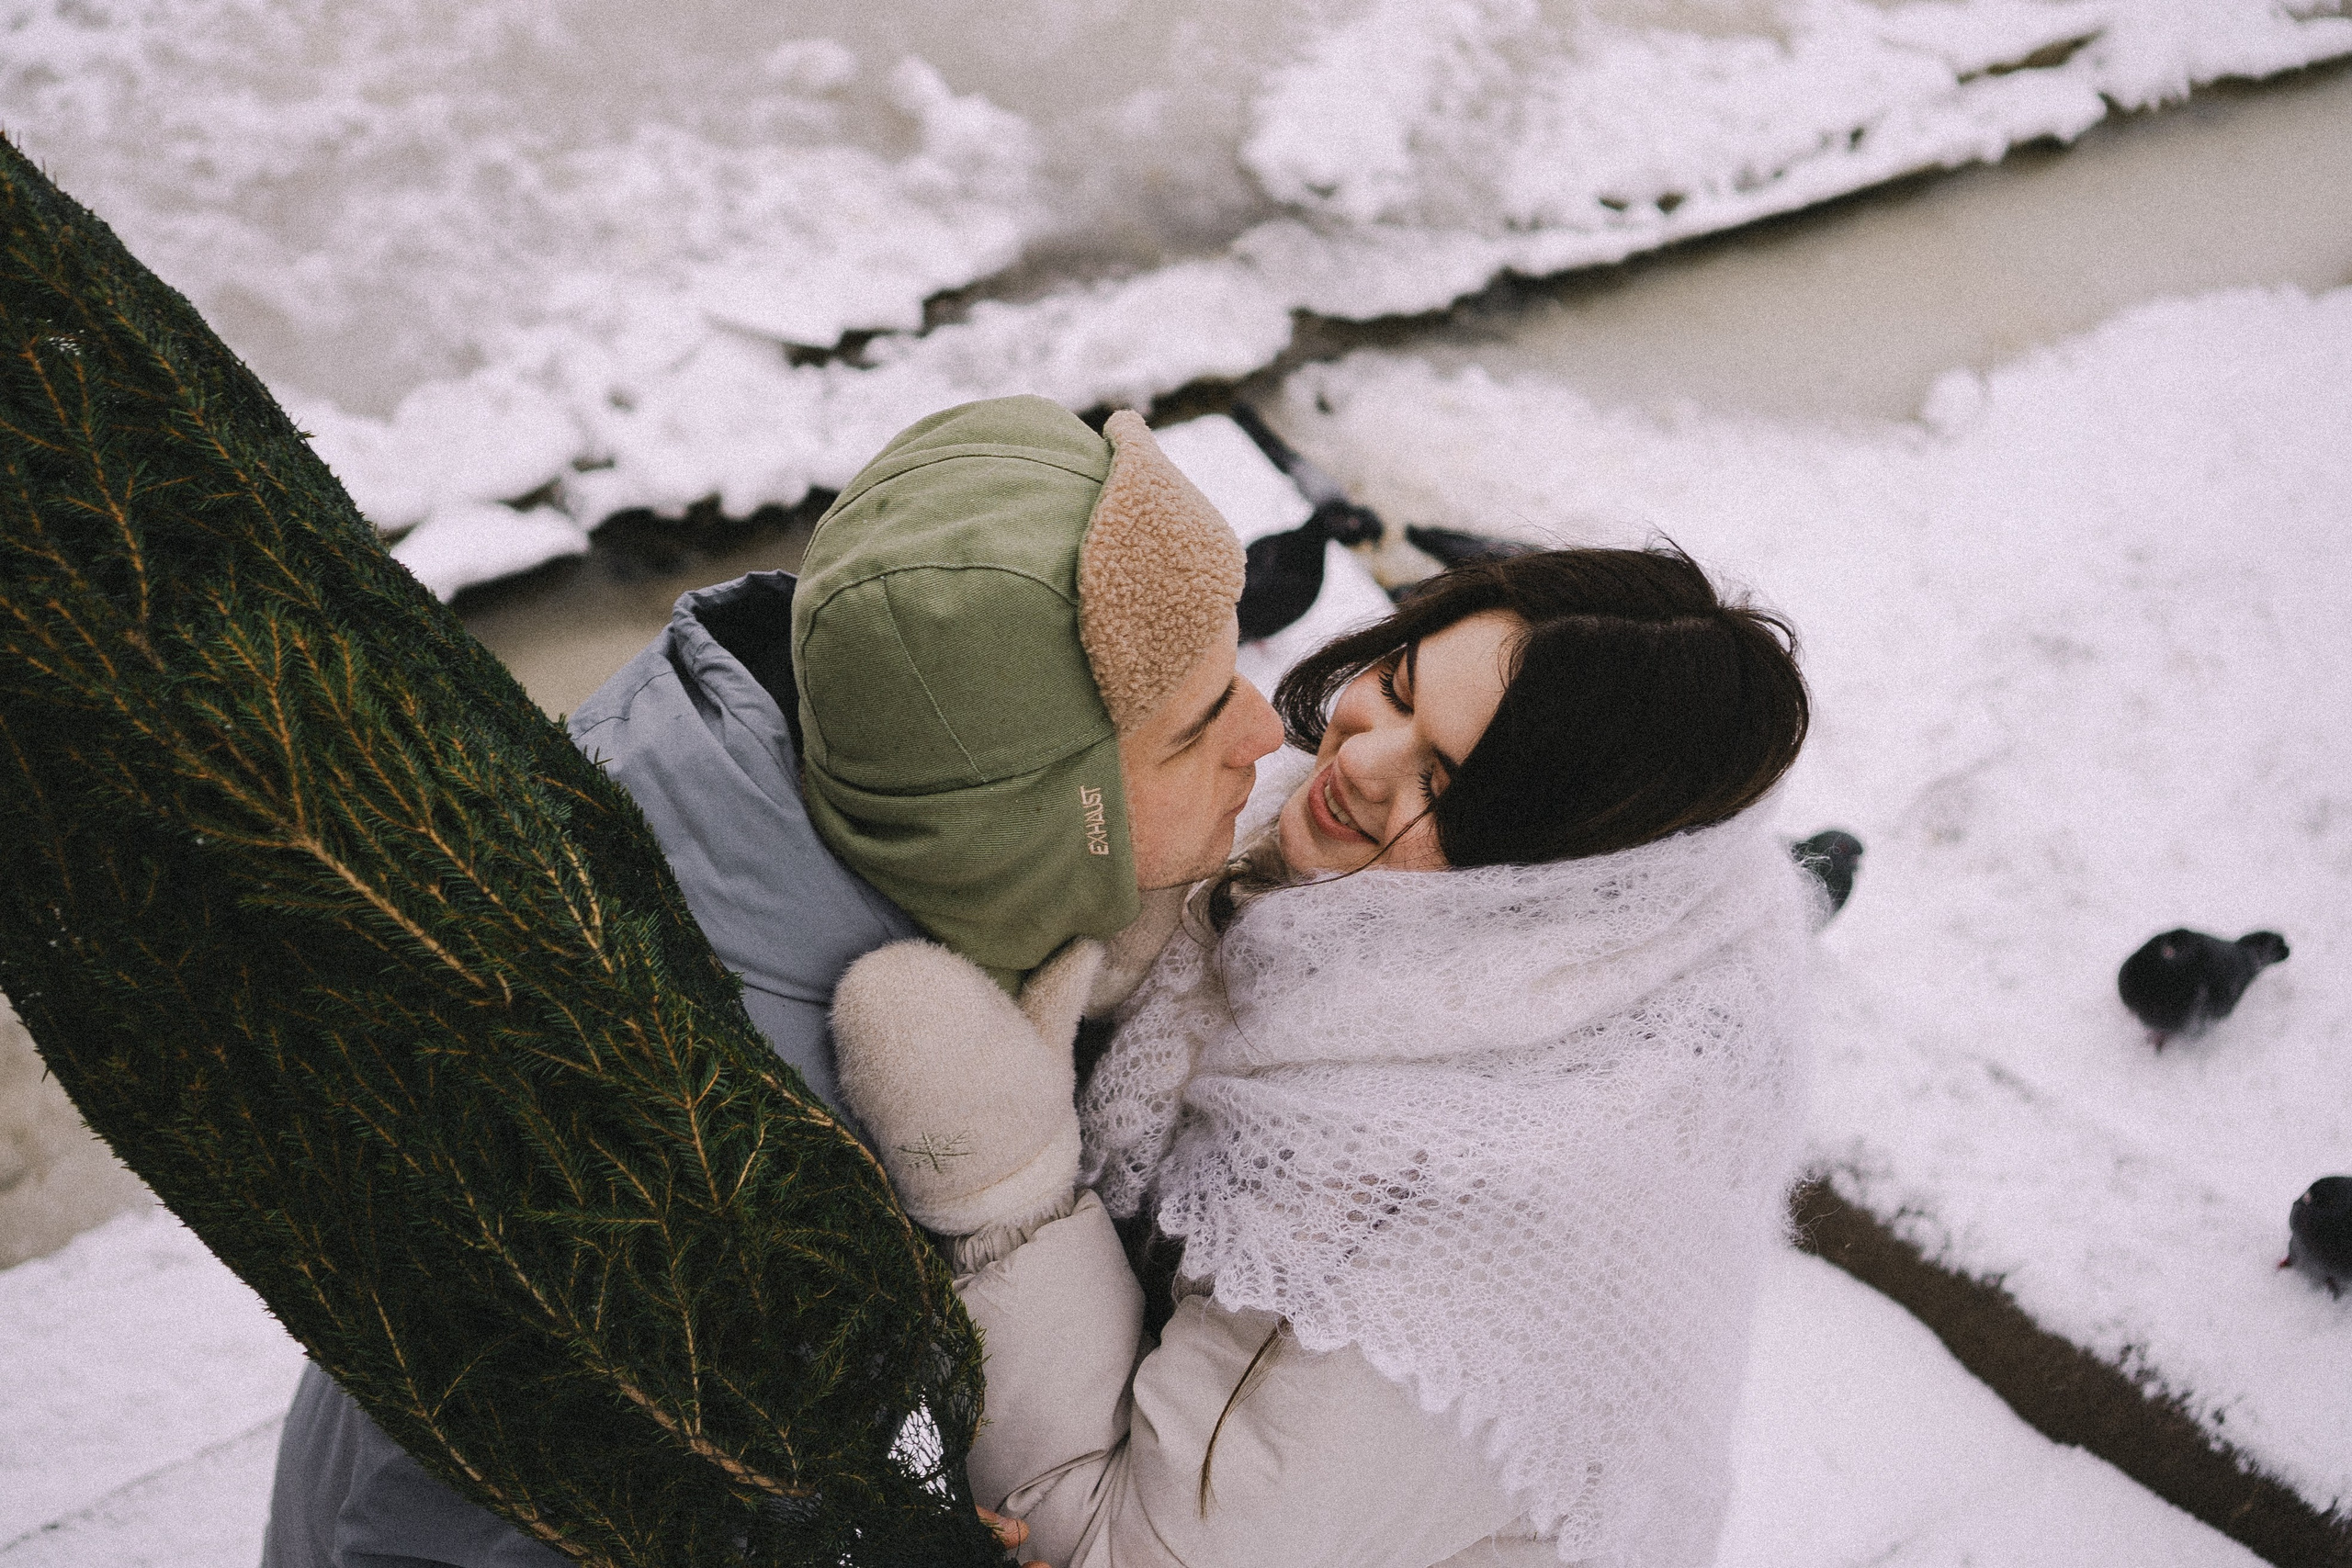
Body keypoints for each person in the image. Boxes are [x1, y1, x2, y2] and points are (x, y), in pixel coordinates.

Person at [260, 395, 1282, 1568]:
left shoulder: (797, 790)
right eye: (1194, 727)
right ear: (1036, 825)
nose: (1262, 727)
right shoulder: (696, 1144)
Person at [831, 545, 1818, 1568]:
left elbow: (1125, 1552)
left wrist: (1006, 1188)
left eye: (1441, 783)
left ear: (1540, 872)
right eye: (1394, 686)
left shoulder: (1398, 1213)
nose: (1356, 759)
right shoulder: (1636, 911)